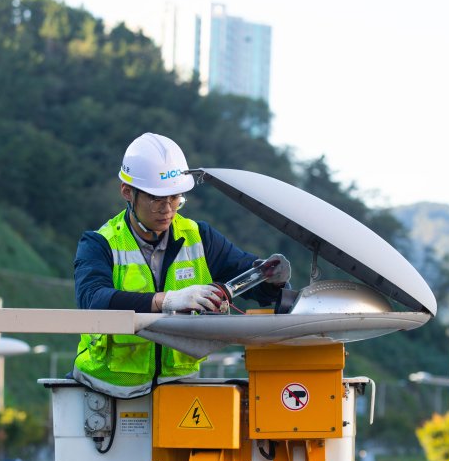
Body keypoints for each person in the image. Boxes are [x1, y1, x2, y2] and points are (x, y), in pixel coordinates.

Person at [73, 133, 291, 397]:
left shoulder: (199, 236)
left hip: (179, 393)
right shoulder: (100, 243)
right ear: (127, 192)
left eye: (175, 198)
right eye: (156, 199)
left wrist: (271, 278)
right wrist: (166, 301)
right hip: (105, 391)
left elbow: (246, 275)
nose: (167, 209)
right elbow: (93, 299)